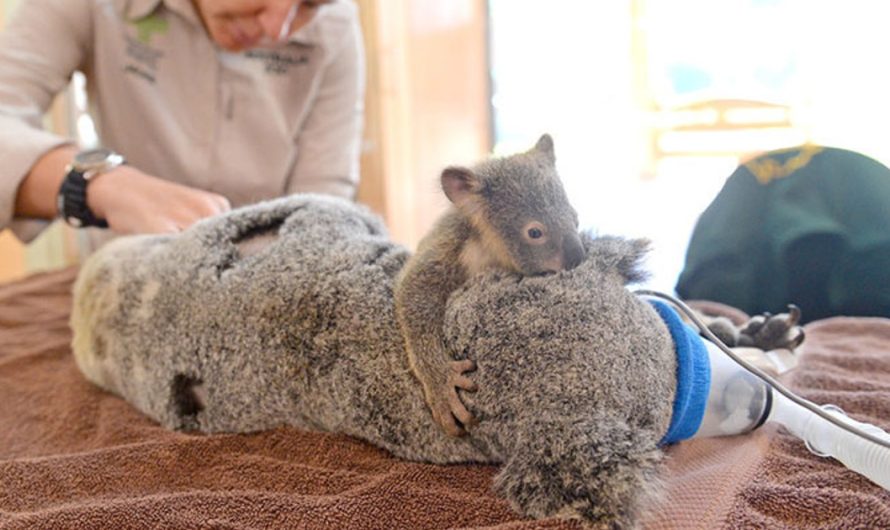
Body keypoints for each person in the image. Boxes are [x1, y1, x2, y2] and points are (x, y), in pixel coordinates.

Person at [0, 0, 364, 241]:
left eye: (311, 3)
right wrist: (99, 185)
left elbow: (324, 198)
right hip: (129, 271)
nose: (278, 29)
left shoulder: (337, 26)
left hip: (265, 280)